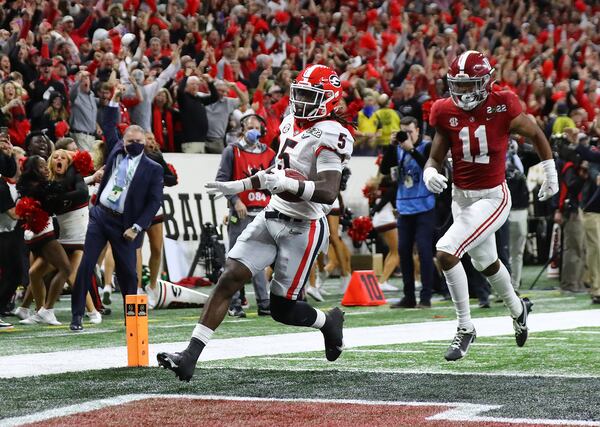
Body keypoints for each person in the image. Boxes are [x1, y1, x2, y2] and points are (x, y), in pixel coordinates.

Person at [158, 64, 354, 381]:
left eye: (309, 95)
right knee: (229, 278)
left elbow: (329, 193)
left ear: (328, 100)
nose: (301, 99)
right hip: (272, 213)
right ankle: (189, 356)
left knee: (282, 309)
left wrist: (289, 185)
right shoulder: (291, 122)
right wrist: (242, 186)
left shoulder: (334, 133)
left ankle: (327, 321)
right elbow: (278, 173)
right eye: (300, 92)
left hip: (303, 227)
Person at [424, 51, 558, 361]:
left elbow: (536, 133)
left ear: (485, 82)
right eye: (458, 85)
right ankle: (518, 308)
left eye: (470, 85)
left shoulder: (503, 103)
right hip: (461, 197)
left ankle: (465, 327)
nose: (463, 92)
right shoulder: (444, 109)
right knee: (485, 263)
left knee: (446, 250)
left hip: (493, 196)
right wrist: (429, 172)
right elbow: (435, 155)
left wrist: (550, 173)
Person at [70, 86, 163, 331]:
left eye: (139, 142)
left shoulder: (154, 168)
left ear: (145, 142)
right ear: (124, 141)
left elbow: (154, 202)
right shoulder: (115, 150)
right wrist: (113, 98)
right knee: (86, 265)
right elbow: (110, 123)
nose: (134, 145)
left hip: (126, 224)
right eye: (130, 141)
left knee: (129, 275)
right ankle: (77, 315)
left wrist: (137, 226)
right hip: (101, 216)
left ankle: (131, 319)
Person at [215, 114, 275, 317]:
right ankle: (233, 303)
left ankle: (264, 301)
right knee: (236, 259)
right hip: (240, 213)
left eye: (257, 127)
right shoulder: (231, 151)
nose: (253, 130)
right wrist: (235, 200)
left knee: (260, 258)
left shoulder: (270, 154)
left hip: (264, 212)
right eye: (250, 126)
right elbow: (222, 180)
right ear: (242, 128)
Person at [382, 116, 435, 308]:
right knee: (403, 251)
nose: (407, 135)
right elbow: (384, 169)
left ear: (418, 131)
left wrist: (410, 149)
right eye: (404, 131)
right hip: (404, 208)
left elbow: (427, 167)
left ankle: (426, 297)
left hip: (424, 207)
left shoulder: (426, 148)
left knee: (424, 250)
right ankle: (409, 296)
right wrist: (390, 146)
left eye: (410, 131)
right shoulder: (397, 149)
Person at [17, 156, 72, 326]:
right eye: (41, 167)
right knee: (65, 268)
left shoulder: (30, 186)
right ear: (33, 170)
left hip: (34, 235)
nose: (46, 168)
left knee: (35, 272)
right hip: (43, 233)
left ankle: (38, 310)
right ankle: (47, 310)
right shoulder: (40, 187)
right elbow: (58, 199)